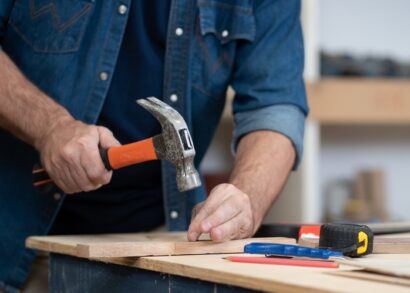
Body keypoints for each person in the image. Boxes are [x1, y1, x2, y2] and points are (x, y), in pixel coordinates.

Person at [0, 0, 308, 291]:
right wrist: (50, 126)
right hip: (18, 241)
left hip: (163, 247)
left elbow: (275, 104)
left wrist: (247, 200)